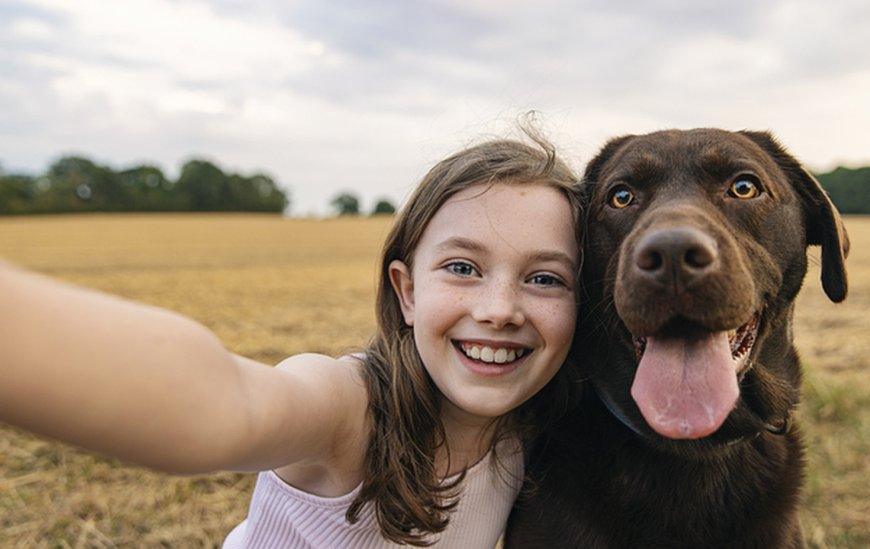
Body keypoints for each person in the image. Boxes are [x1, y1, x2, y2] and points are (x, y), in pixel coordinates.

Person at [0, 133, 583, 547]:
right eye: (462, 268)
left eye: (545, 279)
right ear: (406, 292)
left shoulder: (530, 428)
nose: (500, 310)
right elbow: (225, 405)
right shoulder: (348, 411)